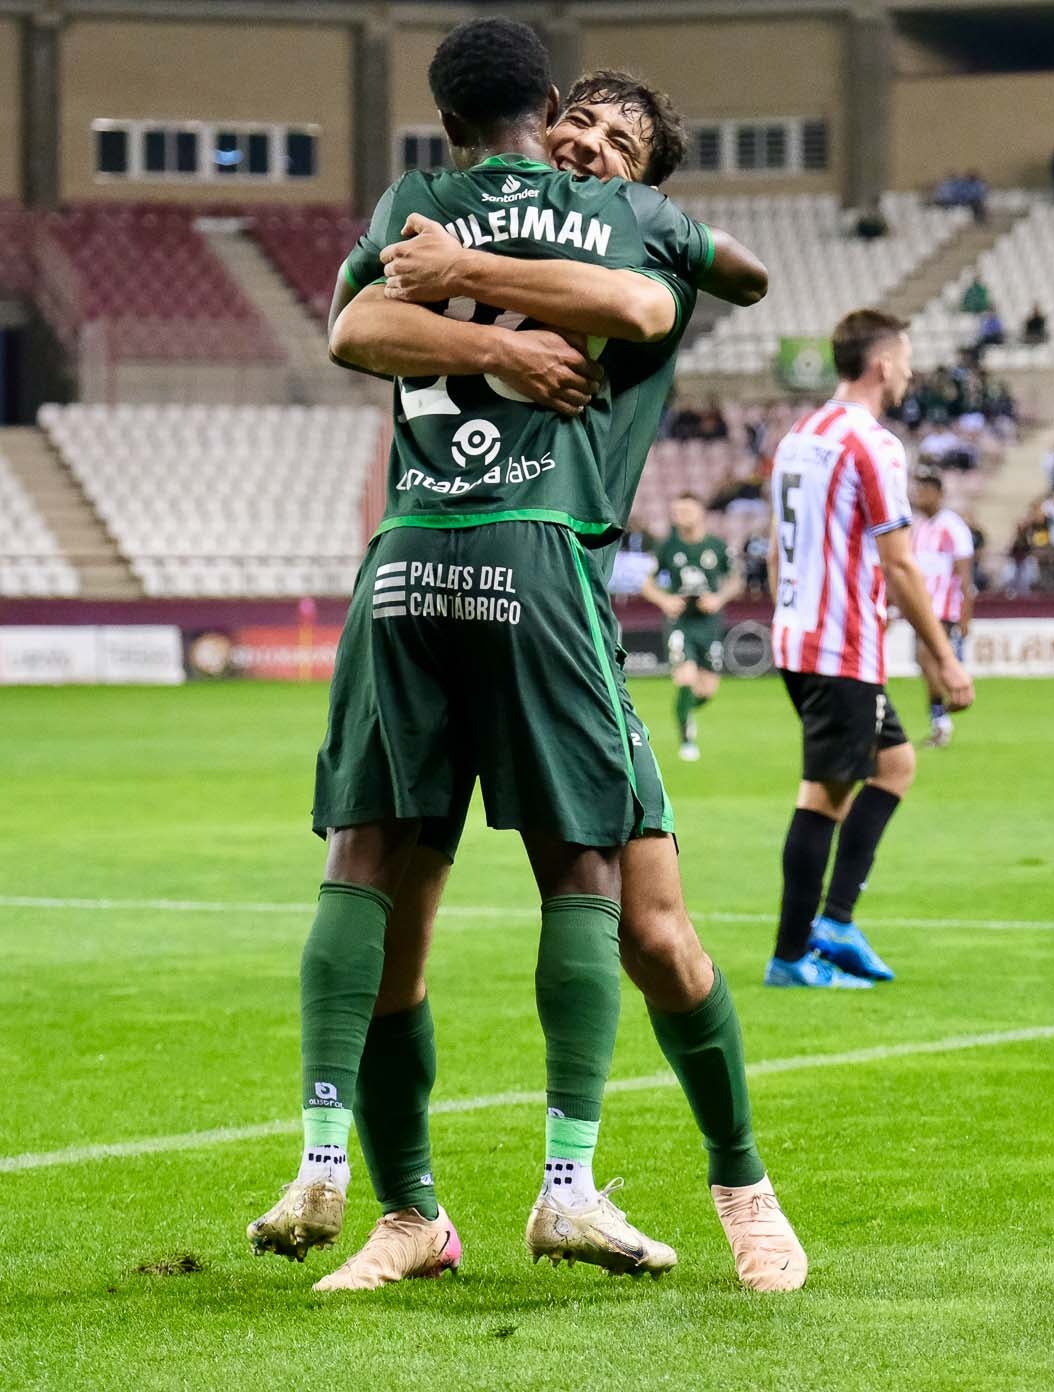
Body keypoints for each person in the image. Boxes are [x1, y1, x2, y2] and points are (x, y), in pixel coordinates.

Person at [248, 26, 806, 1294]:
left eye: (621, 141)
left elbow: (657, 302)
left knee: (656, 934)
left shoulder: (609, 227)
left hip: (560, 597)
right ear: (542, 118)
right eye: (581, 126)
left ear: (646, 175)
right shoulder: (464, 212)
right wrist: (488, 331)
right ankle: (410, 1212)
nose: (591, 146)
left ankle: (739, 1179)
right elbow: (359, 324)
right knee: (411, 914)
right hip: (475, 570)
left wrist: (467, 271)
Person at [766, 310, 974, 989]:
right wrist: (943, 658)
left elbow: (775, 545)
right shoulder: (872, 444)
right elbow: (901, 565)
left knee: (894, 765)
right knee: (823, 795)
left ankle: (834, 922)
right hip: (839, 650)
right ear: (881, 364)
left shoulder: (799, 435)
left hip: (801, 638)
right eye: (906, 357)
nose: (911, 370)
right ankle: (793, 955)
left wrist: (789, 611)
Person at [642, 494, 741, 761]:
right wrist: (665, 600)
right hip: (680, 622)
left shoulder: (717, 547)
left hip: (709, 624)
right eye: (676, 511)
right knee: (685, 677)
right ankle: (687, 741)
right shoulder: (667, 547)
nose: (680, 515)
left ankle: (685, 712)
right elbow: (647, 584)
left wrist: (718, 598)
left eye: (686, 510)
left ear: (700, 513)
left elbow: (735, 581)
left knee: (707, 690)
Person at [910, 472, 975, 749]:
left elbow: (965, 574)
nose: (919, 496)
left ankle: (944, 715)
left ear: (938, 494)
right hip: (921, 605)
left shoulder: (953, 526)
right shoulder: (920, 528)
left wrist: (965, 613)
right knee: (923, 661)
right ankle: (941, 716)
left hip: (943, 607)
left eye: (924, 491)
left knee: (927, 658)